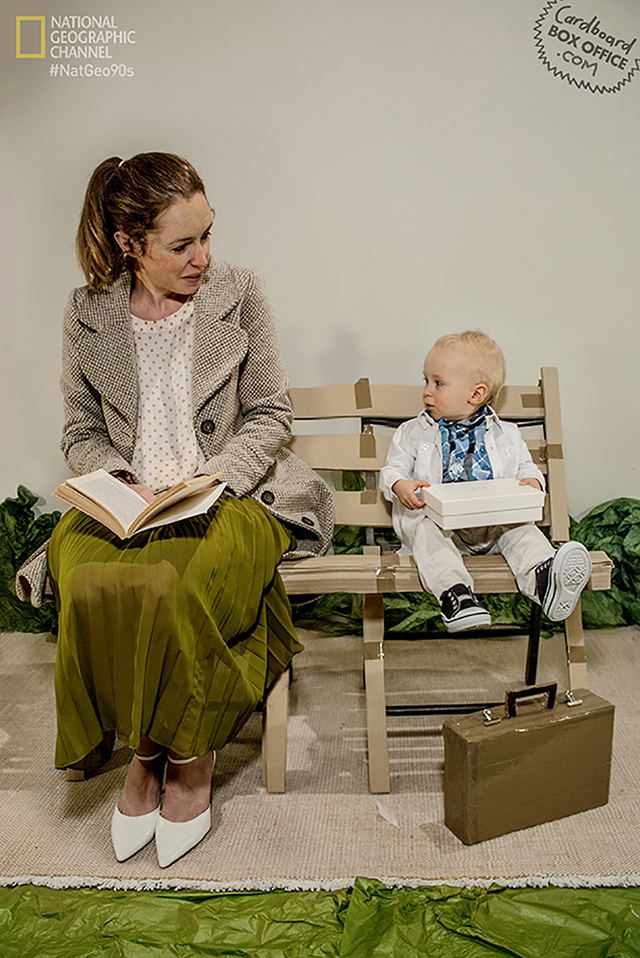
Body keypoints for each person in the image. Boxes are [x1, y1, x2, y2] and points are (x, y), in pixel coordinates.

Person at [45, 152, 333, 868]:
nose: (202, 256)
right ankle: (147, 747)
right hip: (129, 504)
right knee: (89, 579)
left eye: (206, 235)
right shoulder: (87, 311)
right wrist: (121, 480)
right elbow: (80, 431)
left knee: (174, 583)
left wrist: (212, 478)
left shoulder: (240, 291)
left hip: (234, 495)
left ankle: (185, 755)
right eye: (181, 245)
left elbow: (269, 415)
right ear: (128, 243)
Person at [380, 330, 591, 633]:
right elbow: (392, 470)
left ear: (476, 394)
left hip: (493, 525)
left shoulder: (507, 434)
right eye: (426, 380)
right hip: (443, 527)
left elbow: (527, 468)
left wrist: (532, 482)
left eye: (438, 383)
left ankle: (544, 580)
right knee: (426, 530)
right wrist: (399, 485)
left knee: (522, 531)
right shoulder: (413, 432)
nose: (427, 391)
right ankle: (457, 596)